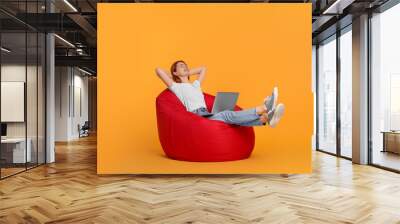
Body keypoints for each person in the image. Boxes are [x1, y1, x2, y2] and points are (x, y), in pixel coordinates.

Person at [155, 60, 285, 127]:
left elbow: (203, 69)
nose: (185, 67)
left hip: (208, 113)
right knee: (226, 115)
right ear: (175, 73)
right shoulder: (177, 87)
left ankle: (266, 119)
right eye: (181, 66)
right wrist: (176, 75)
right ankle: (265, 107)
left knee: (230, 120)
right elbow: (159, 71)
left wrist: (187, 73)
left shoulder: (195, 85)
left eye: (186, 65)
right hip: (198, 118)